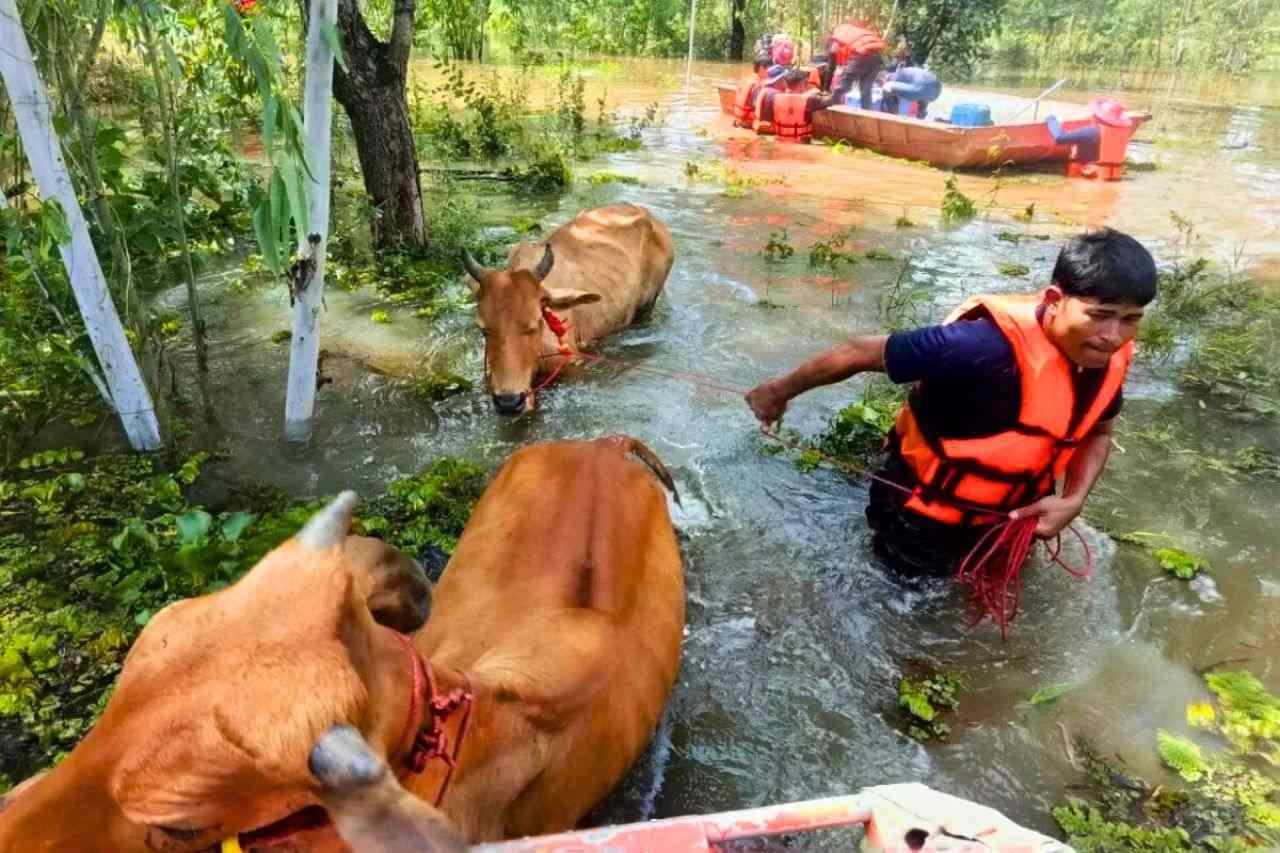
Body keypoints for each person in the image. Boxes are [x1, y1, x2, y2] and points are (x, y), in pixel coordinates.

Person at [744, 229, 1157, 579]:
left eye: (1131, 319)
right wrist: (776, 393)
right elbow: (858, 353)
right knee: (907, 607)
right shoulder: (979, 346)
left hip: (1013, 517)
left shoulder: (1103, 361)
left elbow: (1099, 431)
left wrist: (1074, 498)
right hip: (920, 515)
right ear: (1053, 298)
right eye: (1099, 315)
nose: (1113, 335)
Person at [824, 21, 887, 109]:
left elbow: (831, 64)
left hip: (862, 55)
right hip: (876, 58)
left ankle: (828, 104)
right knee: (865, 91)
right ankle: (868, 113)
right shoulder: (855, 30)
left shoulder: (838, 35)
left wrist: (826, 89)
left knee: (844, 84)